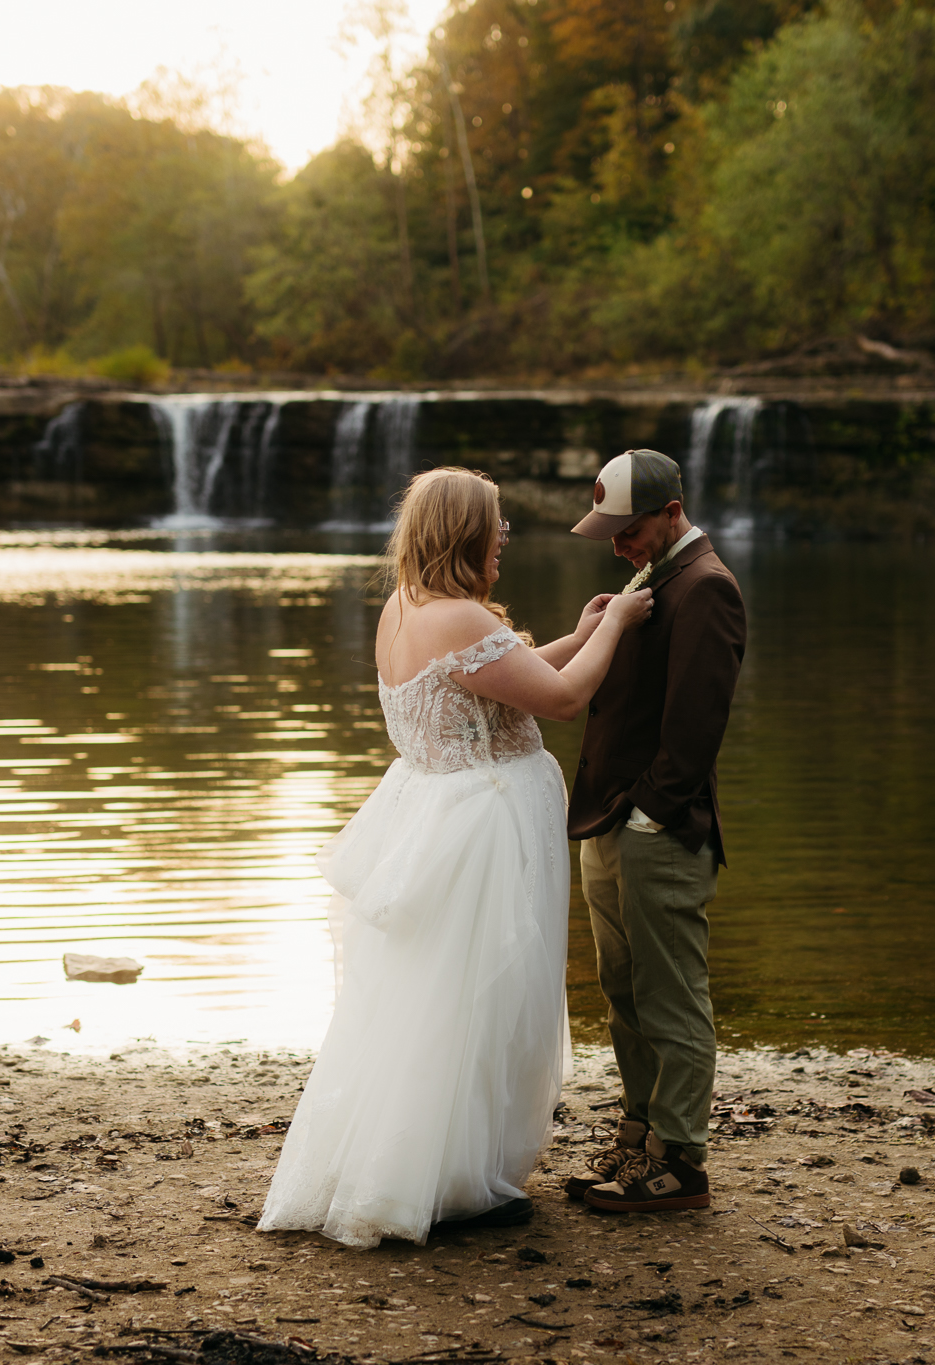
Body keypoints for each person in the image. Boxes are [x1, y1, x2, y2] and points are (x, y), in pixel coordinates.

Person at [257, 466, 655, 1248]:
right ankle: (459, 1182)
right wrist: (619, 624)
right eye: (497, 526)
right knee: (479, 1002)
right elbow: (565, 698)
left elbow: (515, 678)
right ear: (465, 534)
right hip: (482, 828)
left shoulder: (408, 608)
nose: (504, 538)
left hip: (435, 816)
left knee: (429, 1000)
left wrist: (579, 629)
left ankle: (419, 1168)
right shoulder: (463, 617)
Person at [562, 449, 747, 1213]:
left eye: (628, 529)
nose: (616, 545)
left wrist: (647, 814)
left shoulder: (707, 587)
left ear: (672, 512)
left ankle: (682, 1163)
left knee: (671, 999)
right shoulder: (654, 576)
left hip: (656, 831)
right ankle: (636, 1141)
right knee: (623, 991)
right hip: (611, 821)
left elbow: (696, 727)